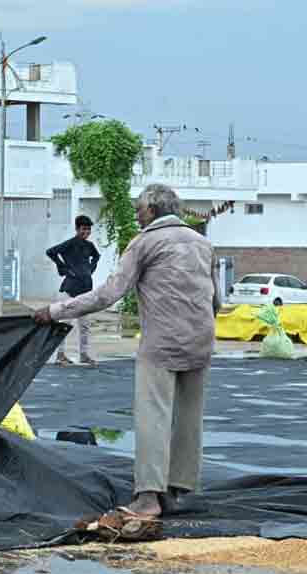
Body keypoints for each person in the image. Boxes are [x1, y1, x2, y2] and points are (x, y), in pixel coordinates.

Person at [34, 184, 221, 520]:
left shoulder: (145, 242)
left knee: (154, 416)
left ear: (152, 210)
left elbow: (109, 294)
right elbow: (215, 300)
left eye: (139, 209)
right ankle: (177, 491)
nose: (136, 214)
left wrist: (56, 311)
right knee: (189, 418)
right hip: (202, 340)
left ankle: (148, 498)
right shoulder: (203, 244)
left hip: (162, 342)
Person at [45, 215, 101, 365]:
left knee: (84, 326)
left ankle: (84, 355)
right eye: (83, 229)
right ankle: (60, 355)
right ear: (77, 229)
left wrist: (90, 269)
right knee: (65, 323)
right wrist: (63, 267)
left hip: (86, 290)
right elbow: (50, 251)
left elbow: (97, 256)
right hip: (70, 289)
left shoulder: (90, 246)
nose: (86, 232)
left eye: (88, 230)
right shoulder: (70, 244)